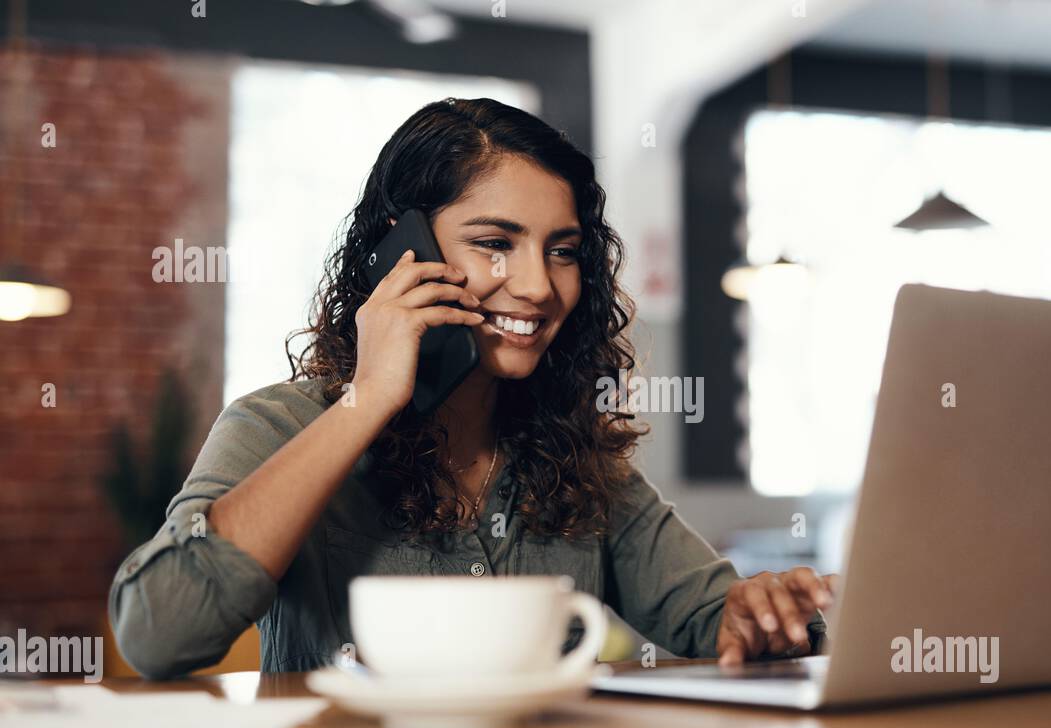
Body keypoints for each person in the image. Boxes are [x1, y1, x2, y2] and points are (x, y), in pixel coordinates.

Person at [109, 98, 833, 679]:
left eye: (563, 252)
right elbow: (160, 633)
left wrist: (758, 614)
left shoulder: (579, 461)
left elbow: (711, 617)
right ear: (402, 252)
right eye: (495, 244)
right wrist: (368, 399)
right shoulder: (278, 426)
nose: (538, 286)